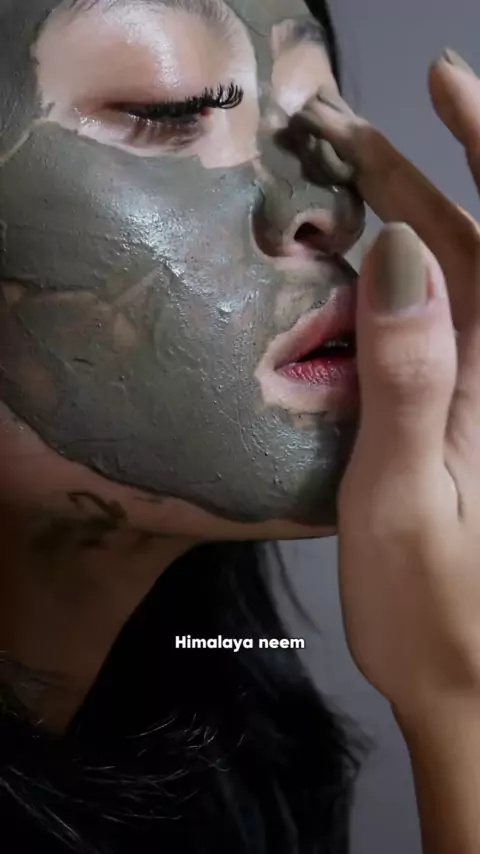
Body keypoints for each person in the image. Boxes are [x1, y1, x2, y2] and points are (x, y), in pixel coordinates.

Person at [0, 1, 479, 853]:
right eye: (169, 108)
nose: (327, 210)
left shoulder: (229, 769)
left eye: (317, 130)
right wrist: (460, 709)